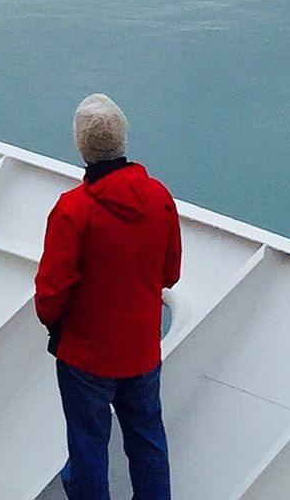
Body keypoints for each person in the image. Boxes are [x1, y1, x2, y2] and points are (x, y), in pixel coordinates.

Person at [34, 95, 181, 500]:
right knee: (148, 440)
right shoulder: (159, 197)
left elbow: (50, 294)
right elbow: (171, 272)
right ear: (123, 139)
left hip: (86, 356)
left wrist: (57, 324)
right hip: (141, 351)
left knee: (87, 446)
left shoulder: (72, 211)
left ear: (81, 146)